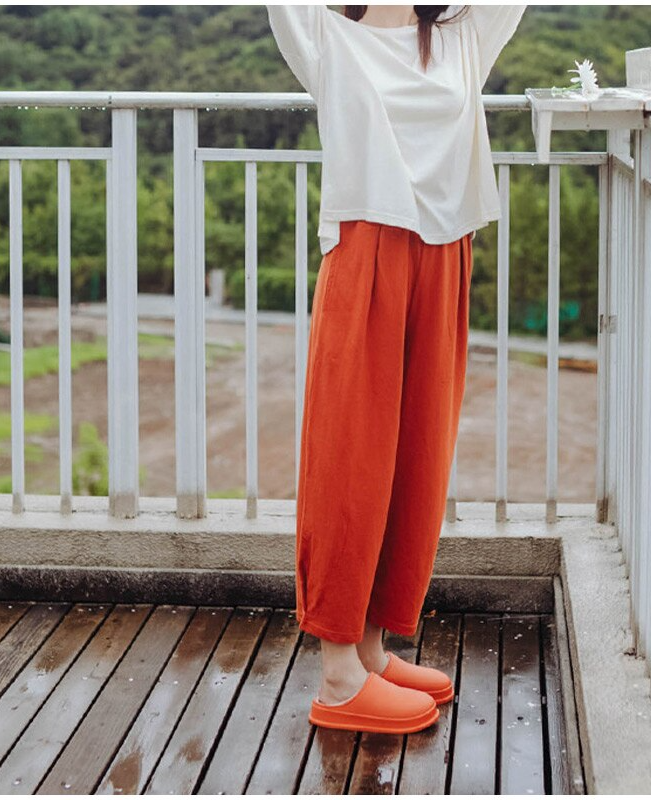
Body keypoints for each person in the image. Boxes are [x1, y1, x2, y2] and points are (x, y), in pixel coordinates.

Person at [267, 4, 527, 734]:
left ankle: (372, 651)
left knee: (418, 456)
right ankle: (338, 675)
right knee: (350, 454)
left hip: (444, 252)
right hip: (366, 248)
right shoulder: (327, 34)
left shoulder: (459, 37)